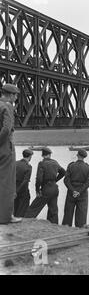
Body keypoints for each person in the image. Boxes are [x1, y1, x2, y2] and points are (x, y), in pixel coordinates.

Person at [25, 147, 66, 224]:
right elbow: (63, 172)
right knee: (53, 209)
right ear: (49, 155)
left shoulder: (42, 164)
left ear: (42, 155)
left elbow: (39, 179)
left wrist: (37, 190)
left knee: (34, 207)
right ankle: (54, 225)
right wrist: (55, 180)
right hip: (54, 188)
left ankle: (25, 222)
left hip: (46, 188)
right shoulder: (55, 162)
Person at [0, 83, 22, 224]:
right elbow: (7, 129)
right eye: (16, 95)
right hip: (5, 148)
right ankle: (6, 217)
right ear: (12, 95)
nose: (16, 97)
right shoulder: (7, 106)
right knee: (7, 183)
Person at [62, 149, 89, 227]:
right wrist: (79, 191)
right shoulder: (88, 167)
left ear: (77, 155)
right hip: (82, 193)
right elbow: (88, 182)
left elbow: (66, 180)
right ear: (84, 157)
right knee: (81, 215)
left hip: (71, 192)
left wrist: (73, 190)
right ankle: (80, 228)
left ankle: (66, 228)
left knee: (68, 214)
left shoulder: (71, 165)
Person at [14, 149, 34, 217]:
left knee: (15, 205)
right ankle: (20, 219)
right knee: (23, 206)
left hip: (13, 187)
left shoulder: (15, 163)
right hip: (23, 190)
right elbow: (25, 181)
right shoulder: (28, 166)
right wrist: (18, 191)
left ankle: (14, 217)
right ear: (30, 156)